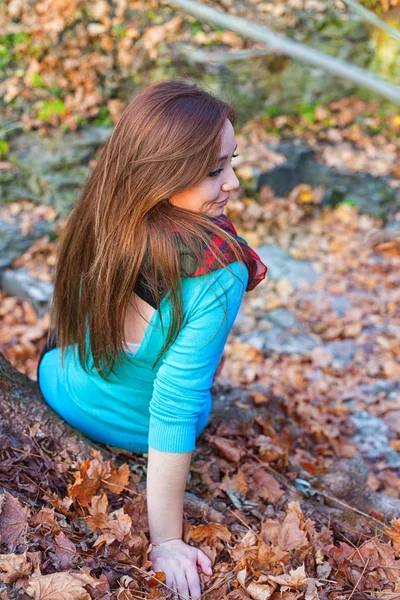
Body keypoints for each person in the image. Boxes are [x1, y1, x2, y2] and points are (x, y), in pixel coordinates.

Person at [37, 78, 267, 600]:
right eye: (214, 171)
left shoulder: (108, 206)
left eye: (232, 161)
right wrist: (167, 540)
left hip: (63, 386)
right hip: (135, 425)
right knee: (188, 377)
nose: (232, 182)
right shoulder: (217, 271)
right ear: (163, 171)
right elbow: (176, 405)